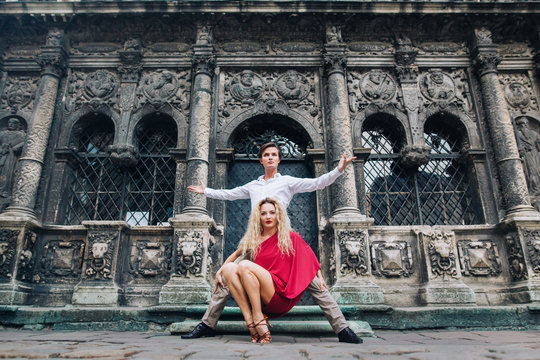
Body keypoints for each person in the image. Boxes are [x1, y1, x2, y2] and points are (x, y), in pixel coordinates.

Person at [183, 141, 362, 344]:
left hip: (284, 239)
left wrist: (339, 170)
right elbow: (229, 194)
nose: (270, 157)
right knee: (227, 277)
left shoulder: (287, 182)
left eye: (274, 154)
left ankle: (342, 328)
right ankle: (207, 325)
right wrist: (206, 192)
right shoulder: (253, 186)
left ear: (278, 159)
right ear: (261, 160)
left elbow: (317, 183)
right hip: (256, 240)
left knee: (314, 283)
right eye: (266, 154)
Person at [220, 198, 321, 343]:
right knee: (229, 268)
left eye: (272, 213)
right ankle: (251, 322)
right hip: (260, 294)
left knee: (244, 265)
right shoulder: (253, 240)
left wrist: (319, 275)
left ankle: (258, 317)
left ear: (278, 215)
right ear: (258, 217)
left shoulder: (291, 237)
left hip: (280, 295)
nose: (268, 216)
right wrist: (219, 272)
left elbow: (310, 258)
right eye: (263, 213)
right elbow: (235, 255)